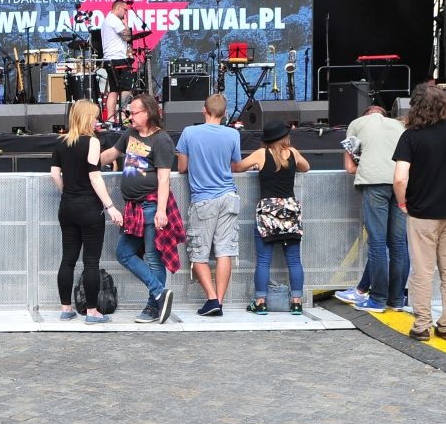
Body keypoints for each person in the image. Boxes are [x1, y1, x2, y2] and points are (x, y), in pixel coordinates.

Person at [393, 84, 446, 342]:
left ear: (416, 107)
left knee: (422, 271)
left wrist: (402, 203)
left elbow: (400, 178)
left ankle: (422, 325)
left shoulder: (411, 136)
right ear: (445, 105)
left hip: (422, 212)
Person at [100, 92, 182, 324]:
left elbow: (164, 179)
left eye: (133, 112)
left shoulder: (162, 140)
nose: (129, 117)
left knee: (154, 259)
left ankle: (153, 307)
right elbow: (110, 154)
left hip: (151, 204)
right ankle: (159, 293)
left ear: (148, 113)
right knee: (124, 253)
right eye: (128, 112)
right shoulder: (130, 134)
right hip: (133, 208)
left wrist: (161, 210)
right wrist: (86, 162)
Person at [51, 100, 123, 323]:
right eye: (93, 117)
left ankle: (65, 309)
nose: (96, 120)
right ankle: (92, 312)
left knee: (68, 259)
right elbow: (94, 176)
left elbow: (55, 174)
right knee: (91, 261)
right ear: (85, 118)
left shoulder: (61, 142)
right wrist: (110, 206)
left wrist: (68, 191)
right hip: (89, 207)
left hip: (68, 206)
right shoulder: (91, 142)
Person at [174, 93, 245, 318]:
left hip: (203, 199)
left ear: (204, 110)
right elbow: (234, 166)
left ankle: (212, 299)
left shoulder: (189, 133)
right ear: (225, 114)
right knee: (225, 250)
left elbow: (182, 168)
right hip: (228, 197)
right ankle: (219, 302)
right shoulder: (233, 134)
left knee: (199, 252)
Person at [337, 103, 410, 313]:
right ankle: (396, 300)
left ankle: (377, 299)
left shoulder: (356, 124)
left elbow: (350, 166)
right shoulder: (399, 126)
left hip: (373, 183)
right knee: (398, 243)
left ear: (366, 115)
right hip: (401, 182)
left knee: (377, 243)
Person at [237, 120, 311, 316]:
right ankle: (296, 302)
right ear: (284, 137)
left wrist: (257, 168)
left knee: (263, 260)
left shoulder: (261, 154)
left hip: (268, 211)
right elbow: (306, 167)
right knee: (294, 260)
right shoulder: (293, 153)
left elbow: (237, 167)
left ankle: (260, 302)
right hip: (290, 210)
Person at [98, 0, 134, 126]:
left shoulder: (108, 19)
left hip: (111, 59)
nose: (126, 12)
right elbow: (127, 36)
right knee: (126, 88)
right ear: (118, 8)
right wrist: (126, 24)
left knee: (113, 90)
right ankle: (123, 114)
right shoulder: (114, 20)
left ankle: (110, 119)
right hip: (118, 59)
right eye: (125, 10)